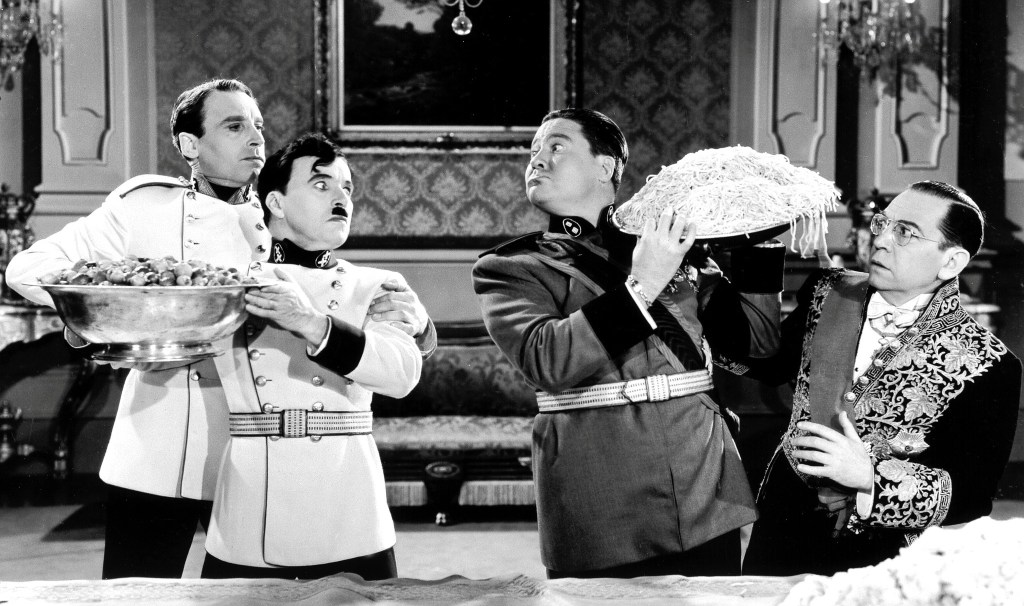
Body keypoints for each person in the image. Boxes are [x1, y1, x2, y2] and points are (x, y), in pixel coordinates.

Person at [5, 79, 432, 579]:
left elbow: (345, 300)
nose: (256, 138)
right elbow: (31, 268)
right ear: (190, 144)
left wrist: (421, 327)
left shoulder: (284, 210)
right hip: (159, 441)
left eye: (258, 125)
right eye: (234, 126)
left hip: (253, 449)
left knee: (249, 594)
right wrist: (104, 320)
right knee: (137, 600)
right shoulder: (146, 206)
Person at [472, 108, 785, 578]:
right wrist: (643, 284)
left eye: (556, 147)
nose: (537, 160)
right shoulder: (513, 267)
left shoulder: (664, 245)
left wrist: (754, 245)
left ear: (605, 166)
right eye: (534, 151)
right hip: (602, 487)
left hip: (700, 480)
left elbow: (756, 346)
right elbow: (547, 359)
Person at [740, 180, 1022, 576]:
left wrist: (869, 478)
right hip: (780, 530)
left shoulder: (989, 363)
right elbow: (764, 363)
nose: (882, 240)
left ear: (951, 262)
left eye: (905, 232)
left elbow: (973, 495)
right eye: (882, 224)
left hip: (883, 563)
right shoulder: (828, 292)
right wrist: (745, 250)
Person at [200, 133, 422, 580]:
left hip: (348, 504)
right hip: (251, 504)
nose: (341, 197)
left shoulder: (375, 285)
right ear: (276, 203)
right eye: (322, 184)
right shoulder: (226, 283)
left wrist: (312, 323)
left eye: (347, 187)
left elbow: (402, 375)